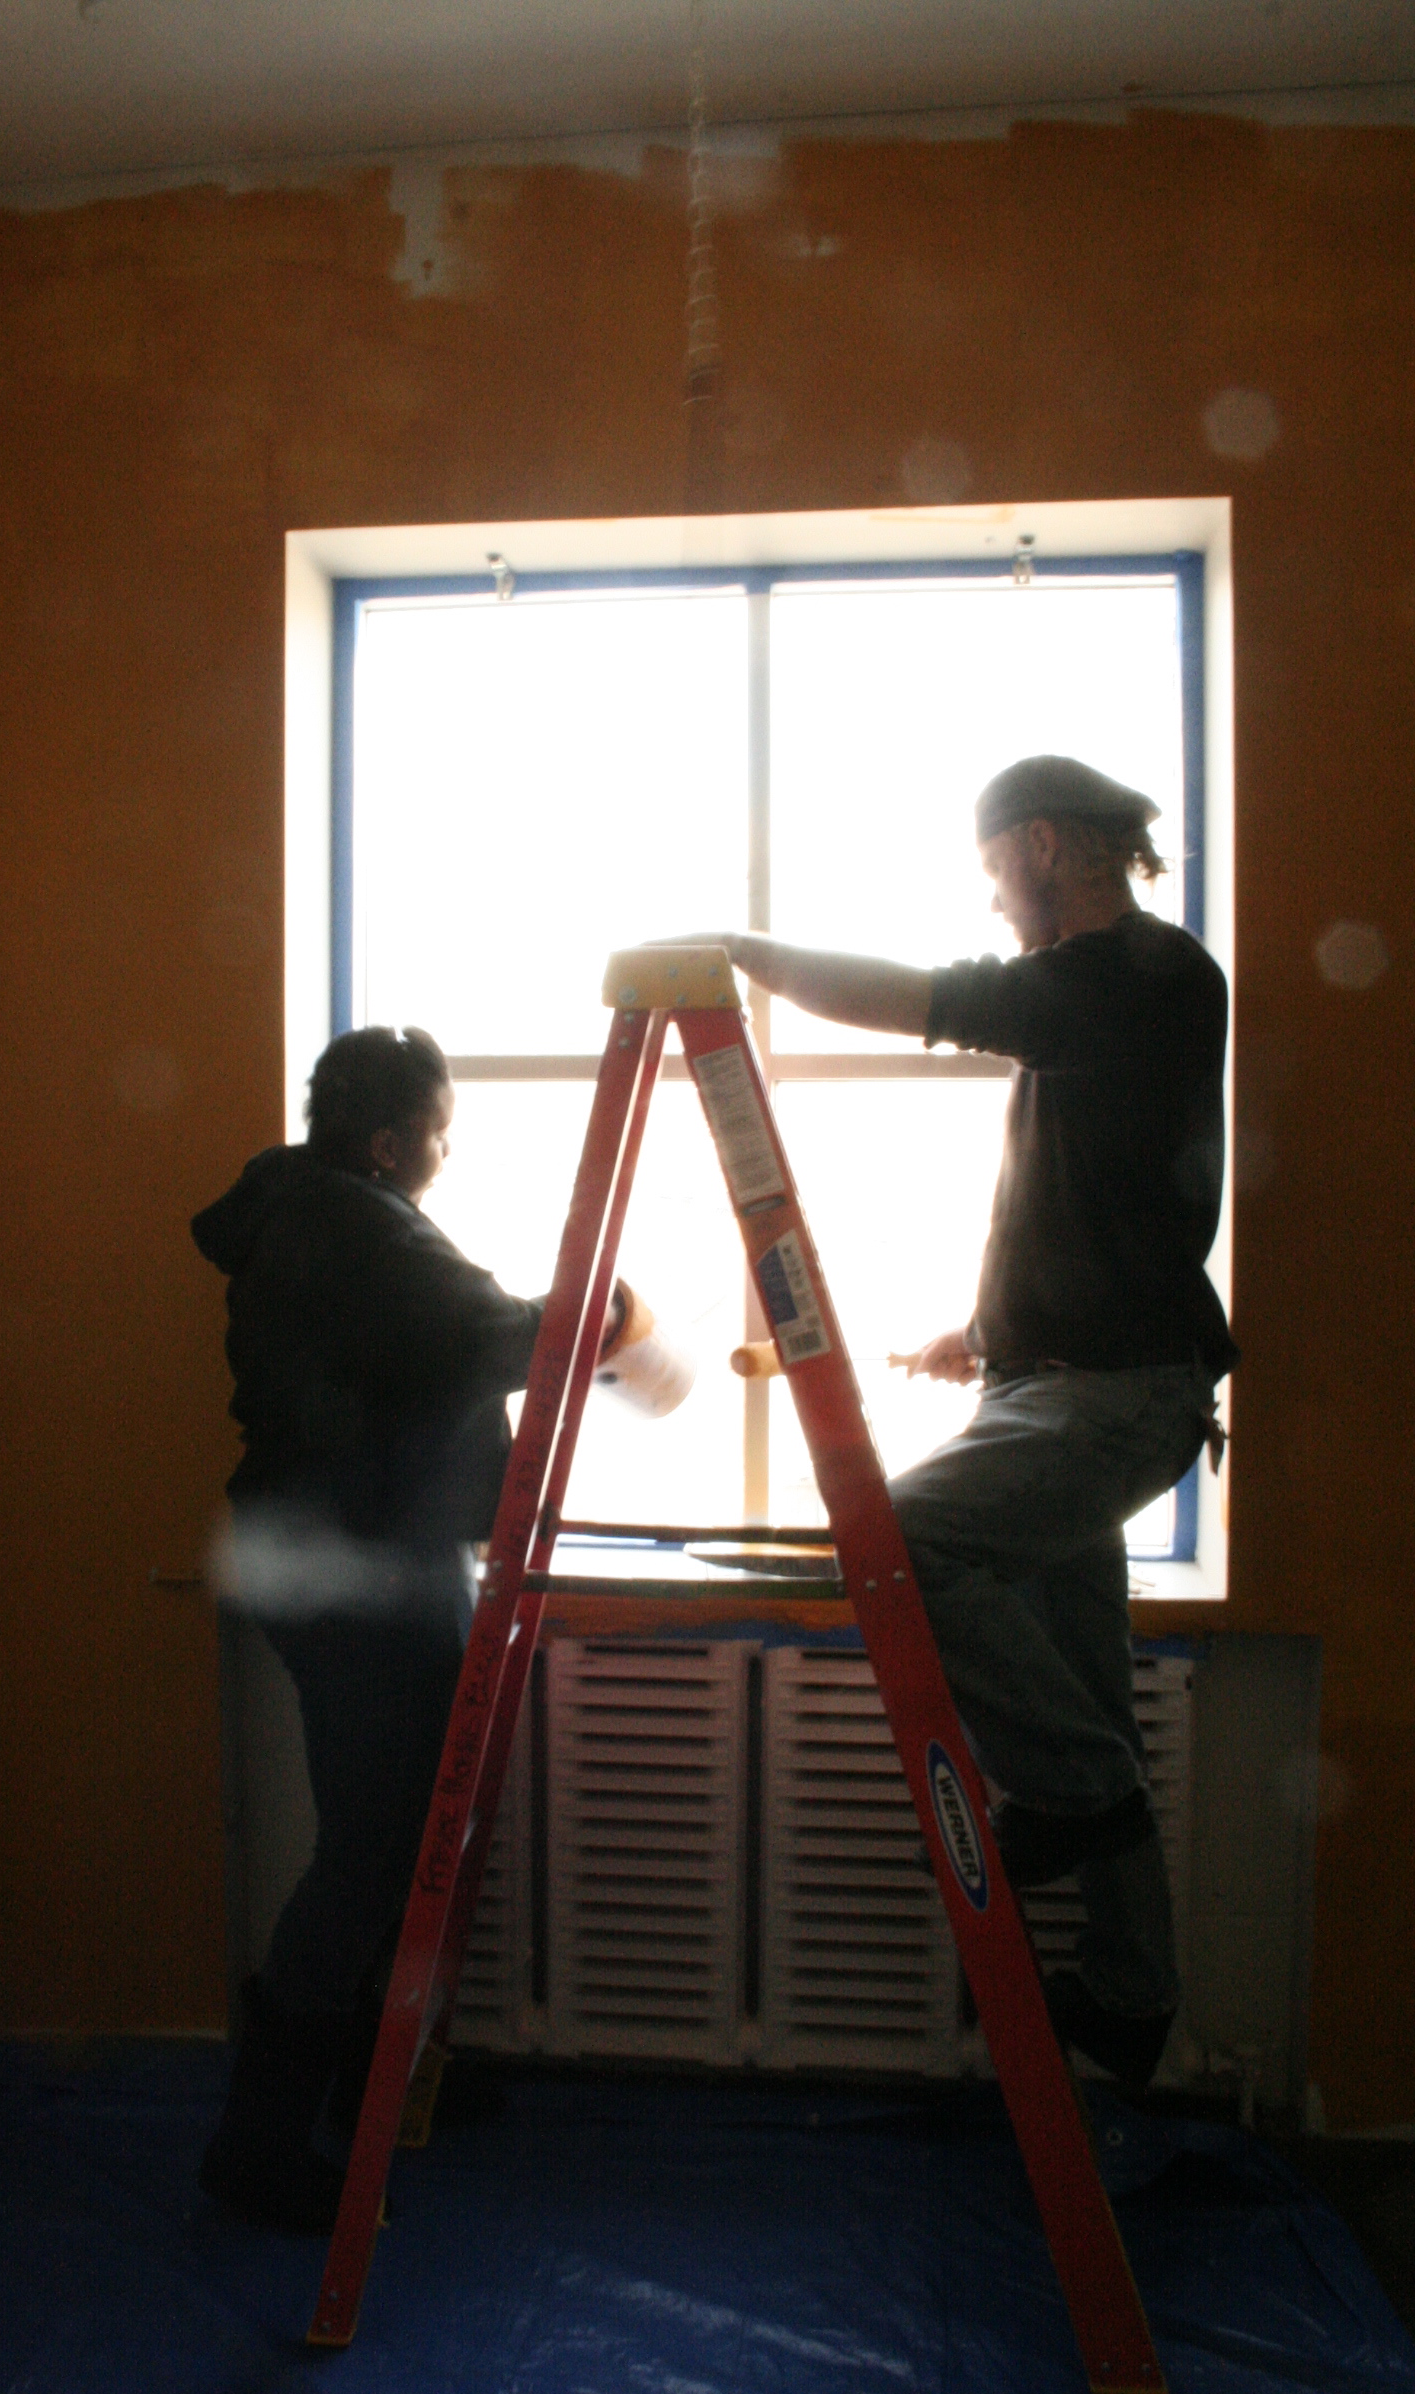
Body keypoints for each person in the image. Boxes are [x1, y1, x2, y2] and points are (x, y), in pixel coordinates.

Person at [705, 754, 1235, 2089]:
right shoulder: (1109, 1003)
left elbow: (923, 999)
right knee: (1091, 1708)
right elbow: (1098, 1212)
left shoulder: (1141, 976)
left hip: (1112, 1398)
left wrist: (740, 956)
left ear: (1043, 844)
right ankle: (1130, 1997)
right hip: (1064, 1382)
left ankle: (1067, 1796)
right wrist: (983, 1335)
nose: (995, 901)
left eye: (996, 869)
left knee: (902, 1541)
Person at [192, 1024, 623, 2229]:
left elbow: (428, 1351)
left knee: (400, 1831)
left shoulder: (321, 1212)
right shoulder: (353, 1225)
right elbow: (493, 1335)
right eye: (438, 1132)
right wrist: (614, 1316)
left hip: (355, 1552)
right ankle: (258, 2149)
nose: (446, 1152)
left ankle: (371, 2072)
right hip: (351, 1566)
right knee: (371, 1849)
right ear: (387, 1143)